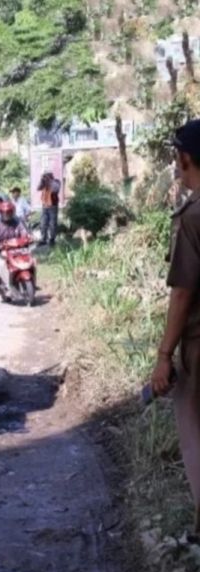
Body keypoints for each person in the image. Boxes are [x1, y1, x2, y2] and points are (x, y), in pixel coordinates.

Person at [150, 119, 200, 536]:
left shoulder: (192, 217)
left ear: (186, 160)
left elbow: (182, 293)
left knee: (194, 430)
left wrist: (164, 357)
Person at [38, 171, 61, 246]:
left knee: (52, 223)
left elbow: (55, 189)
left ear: (51, 176)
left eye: (47, 176)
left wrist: (49, 181)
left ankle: (52, 239)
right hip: (44, 205)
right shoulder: (44, 183)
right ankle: (43, 239)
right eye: (45, 176)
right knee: (43, 223)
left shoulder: (56, 182)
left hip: (53, 206)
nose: (46, 177)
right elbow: (38, 188)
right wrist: (42, 180)